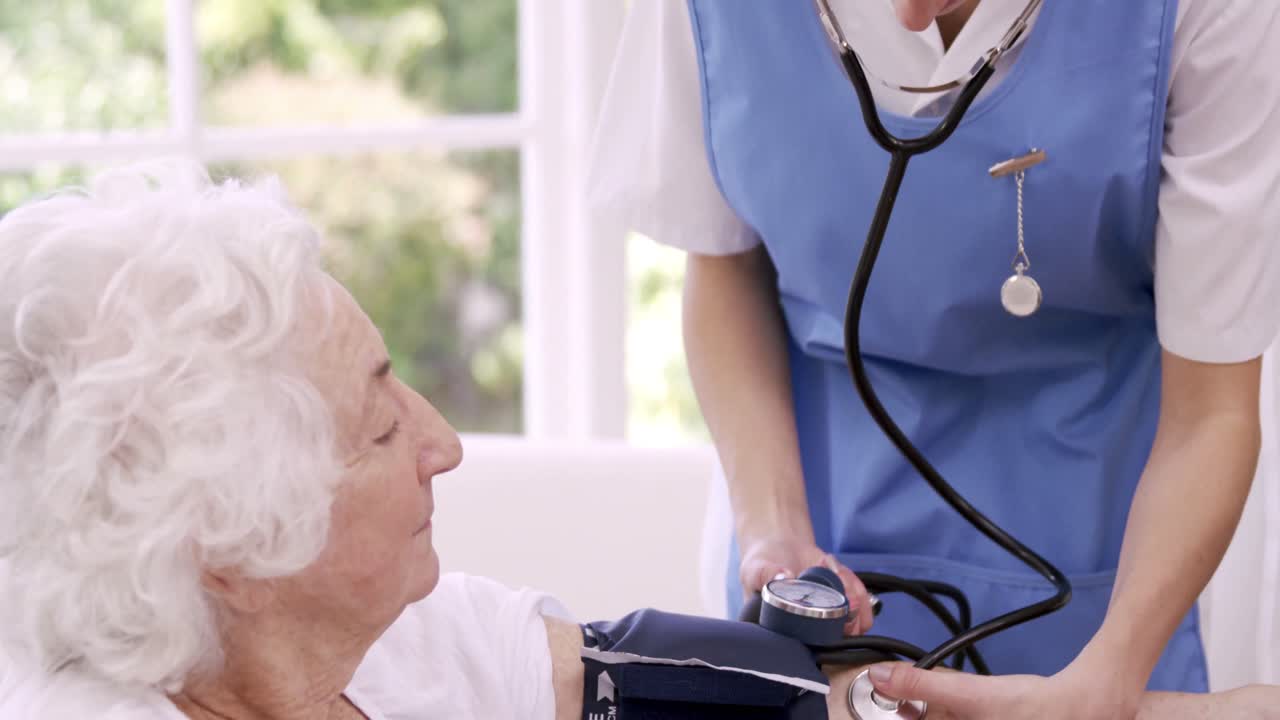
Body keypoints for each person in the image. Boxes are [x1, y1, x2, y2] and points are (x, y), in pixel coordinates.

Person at [0, 165, 1276, 720]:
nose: (446, 447)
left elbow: (746, 699)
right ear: (232, 544)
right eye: (384, 424)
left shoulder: (402, 647)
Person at [588, 0, 1280, 716]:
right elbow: (725, 260)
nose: (909, 15)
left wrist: (1109, 676)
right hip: (812, 524)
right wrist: (773, 528)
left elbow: (1213, 410)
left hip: (1112, 557)